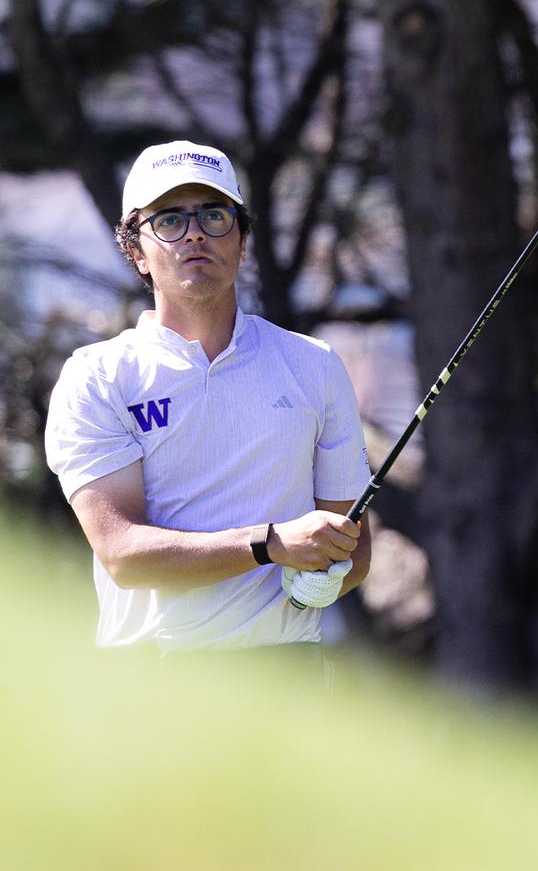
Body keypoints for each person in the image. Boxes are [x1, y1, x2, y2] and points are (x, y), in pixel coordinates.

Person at [44, 140, 372, 658]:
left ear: (242, 242)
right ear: (136, 251)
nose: (195, 232)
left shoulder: (315, 365)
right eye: (169, 220)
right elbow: (124, 554)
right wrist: (270, 545)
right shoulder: (98, 376)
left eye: (215, 215)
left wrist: (329, 571)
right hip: (152, 680)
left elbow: (354, 553)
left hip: (285, 673)